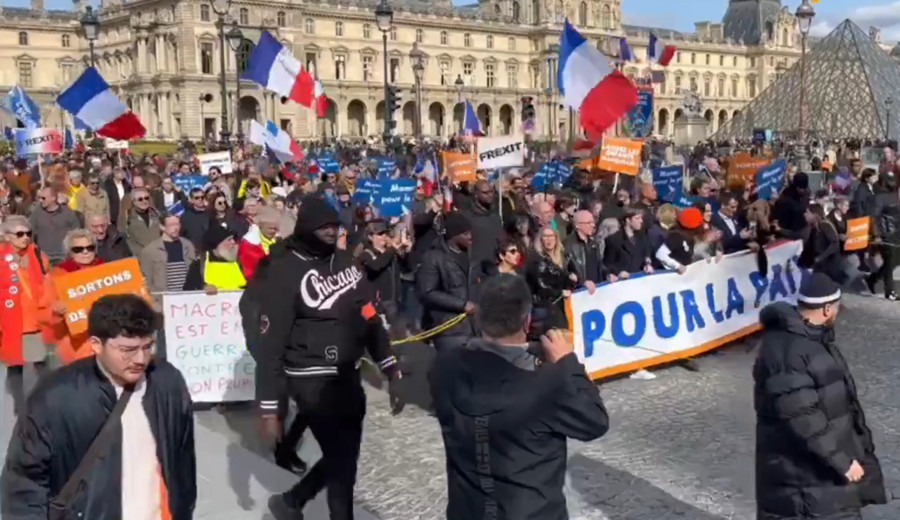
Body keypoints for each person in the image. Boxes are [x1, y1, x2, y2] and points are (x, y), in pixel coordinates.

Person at [252, 195, 403, 520]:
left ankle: (291, 501)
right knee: (342, 459)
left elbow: (369, 316)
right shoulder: (284, 271)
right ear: (307, 228)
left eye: (335, 226)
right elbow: (270, 346)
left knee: (343, 458)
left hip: (348, 375)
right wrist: (269, 410)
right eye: (324, 227)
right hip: (310, 378)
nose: (332, 232)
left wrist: (390, 367)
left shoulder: (346, 262)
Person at [1, 294, 197, 519]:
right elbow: (24, 484)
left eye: (148, 346)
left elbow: (183, 464)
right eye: (127, 349)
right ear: (95, 344)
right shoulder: (55, 396)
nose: (141, 359)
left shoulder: (168, 382)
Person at [430, 274, 609, 520]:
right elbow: (595, 421)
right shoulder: (546, 385)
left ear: (479, 318)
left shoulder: (444, 367)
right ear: (527, 322)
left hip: (469, 510)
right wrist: (568, 364)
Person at [754, 273, 886, 520]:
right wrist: (842, 461)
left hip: (819, 476)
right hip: (803, 479)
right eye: (836, 307)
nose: (837, 313)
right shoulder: (788, 351)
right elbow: (801, 414)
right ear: (826, 309)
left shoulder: (812, 340)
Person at [0, 216, 50, 415]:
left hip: (35, 320)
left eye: (28, 233)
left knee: (42, 363)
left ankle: (48, 400)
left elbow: (50, 278)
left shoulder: (37, 254)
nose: (25, 238)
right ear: (7, 236)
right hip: (10, 321)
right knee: (14, 365)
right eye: (19, 234)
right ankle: (19, 407)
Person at [41, 229, 106, 366]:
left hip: (106, 341)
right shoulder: (57, 276)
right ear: (70, 252)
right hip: (74, 345)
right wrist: (56, 311)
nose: (85, 252)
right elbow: (43, 311)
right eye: (78, 249)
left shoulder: (109, 271)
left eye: (90, 247)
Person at [417, 211, 479, 351]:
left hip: (474, 329)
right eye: (465, 233)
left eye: (470, 232)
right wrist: (461, 305)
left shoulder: (472, 256)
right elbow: (427, 293)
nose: (470, 237)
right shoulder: (433, 257)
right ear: (453, 236)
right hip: (449, 330)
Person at [139, 213, 198, 302]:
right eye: (171, 225)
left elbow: (195, 273)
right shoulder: (150, 250)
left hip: (188, 301)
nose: (176, 228)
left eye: (177, 224)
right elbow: (146, 281)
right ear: (162, 227)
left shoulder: (188, 245)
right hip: (164, 302)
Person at [28, 186, 81, 265]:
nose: (41, 201)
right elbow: (30, 234)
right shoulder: (36, 214)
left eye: (43, 198)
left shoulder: (67, 213)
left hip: (64, 257)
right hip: (44, 257)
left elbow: (77, 233)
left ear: (53, 198)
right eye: (39, 198)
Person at [185, 224, 246, 292]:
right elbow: (188, 292)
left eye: (233, 239)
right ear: (217, 244)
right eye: (229, 240)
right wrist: (203, 289)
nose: (233, 242)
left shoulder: (240, 263)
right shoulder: (199, 265)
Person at [461, 180, 503, 273]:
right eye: (485, 193)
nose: (489, 195)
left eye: (491, 192)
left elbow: (500, 240)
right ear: (476, 194)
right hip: (475, 268)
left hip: (493, 266)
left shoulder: (495, 216)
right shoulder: (466, 217)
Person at [603, 208, 654, 282]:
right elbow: (607, 264)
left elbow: (646, 256)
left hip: (640, 282)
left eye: (641, 218)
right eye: (637, 218)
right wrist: (618, 272)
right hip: (622, 283)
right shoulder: (614, 240)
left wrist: (647, 265)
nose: (641, 221)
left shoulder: (643, 238)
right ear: (628, 220)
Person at [237, 205, 281, 280]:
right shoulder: (249, 244)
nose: (273, 231)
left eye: (275, 229)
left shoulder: (279, 240)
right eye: (270, 228)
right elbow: (249, 272)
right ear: (260, 225)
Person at [564, 210, 603, 287]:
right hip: (580, 291)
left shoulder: (593, 242)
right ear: (577, 225)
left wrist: (609, 273)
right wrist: (582, 282)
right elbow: (565, 271)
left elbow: (599, 265)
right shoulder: (568, 244)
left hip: (597, 289)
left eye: (593, 222)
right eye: (589, 223)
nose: (593, 225)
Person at [124, 187, 163, 257]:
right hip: (141, 257)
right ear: (133, 202)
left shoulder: (155, 214)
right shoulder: (128, 217)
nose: (144, 201)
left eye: (146, 198)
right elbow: (128, 241)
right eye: (140, 199)